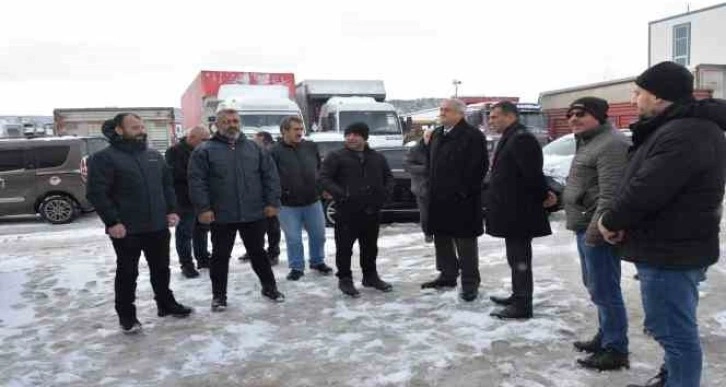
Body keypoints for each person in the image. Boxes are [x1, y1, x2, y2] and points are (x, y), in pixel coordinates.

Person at [598, 61, 726, 387]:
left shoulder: (685, 131)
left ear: (657, 97)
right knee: (674, 326)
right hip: (674, 245)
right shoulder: (681, 127)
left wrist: (611, 220)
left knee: (673, 332)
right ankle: (671, 379)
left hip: (672, 250)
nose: (634, 99)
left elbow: (648, 187)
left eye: (638, 92)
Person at [86, 114, 192, 334]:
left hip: (157, 225)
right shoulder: (103, 158)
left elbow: (167, 186)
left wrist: (172, 209)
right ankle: (127, 316)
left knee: (161, 268)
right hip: (126, 229)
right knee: (127, 272)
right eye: (135, 127)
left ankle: (166, 304)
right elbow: (97, 194)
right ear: (119, 130)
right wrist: (112, 222)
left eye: (142, 126)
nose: (141, 130)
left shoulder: (154, 156)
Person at [188, 107, 285, 311]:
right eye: (227, 121)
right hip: (222, 214)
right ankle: (219, 296)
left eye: (235, 121)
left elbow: (270, 176)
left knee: (258, 253)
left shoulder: (254, 148)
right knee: (220, 256)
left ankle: (269, 287)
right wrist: (203, 208)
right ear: (217, 124)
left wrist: (272, 202)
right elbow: (197, 182)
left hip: (253, 212)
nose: (232, 125)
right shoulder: (204, 150)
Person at [561, 97, 630, 371]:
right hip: (585, 226)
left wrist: (595, 234)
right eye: (570, 114)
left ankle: (616, 348)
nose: (573, 118)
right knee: (596, 287)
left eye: (581, 114)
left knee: (605, 289)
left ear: (599, 116)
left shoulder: (612, 144)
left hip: (598, 230)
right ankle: (606, 335)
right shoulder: (589, 140)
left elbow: (610, 196)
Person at [486, 101, 557, 319]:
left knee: (520, 258)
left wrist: (544, 196)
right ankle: (518, 295)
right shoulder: (511, 136)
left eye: (494, 117)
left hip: (520, 211)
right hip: (511, 210)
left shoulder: (521, 139)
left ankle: (523, 304)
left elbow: (532, 174)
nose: (491, 121)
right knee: (515, 257)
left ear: (509, 116)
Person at [420, 99, 488, 302]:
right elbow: (428, 162)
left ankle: (470, 283)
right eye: (441, 110)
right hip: (438, 199)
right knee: (442, 240)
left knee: (465, 243)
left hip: (462, 200)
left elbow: (479, 167)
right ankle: (447, 275)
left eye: (446, 110)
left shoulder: (472, 135)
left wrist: (463, 192)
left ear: (460, 114)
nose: (442, 113)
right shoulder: (438, 134)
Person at [320, 122, 394, 297]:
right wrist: (341, 194)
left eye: (356, 134)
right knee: (344, 248)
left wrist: (384, 195)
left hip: (371, 211)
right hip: (347, 212)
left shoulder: (377, 157)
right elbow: (323, 178)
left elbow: (389, 178)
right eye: (348, 134)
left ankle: (370, 276)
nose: (351, 138)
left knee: (370, 247)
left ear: (365, 137)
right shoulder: (336, 156)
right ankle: (345, 279)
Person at [271, 117, 333, 281]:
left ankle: (317, 261)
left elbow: (319, 170)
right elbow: (270, 177)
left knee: (319, 235)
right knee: (294, 238)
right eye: (295, 129)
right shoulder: (274, 151)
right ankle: (297, 267)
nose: (299, 132)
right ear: (284, 131)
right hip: (287, 204)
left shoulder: (310, 146)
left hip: (312, 200)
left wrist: (323, 189)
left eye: (301, 129)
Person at [165, 126, 211, 278]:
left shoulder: (205, 151)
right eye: (203, 139)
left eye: (207, 139)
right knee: (185, 233)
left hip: (202, 199)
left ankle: (203, 258)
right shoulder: (175, 151)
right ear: (191, 138)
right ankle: (186, 264)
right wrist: (199, 174)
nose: (206, 142)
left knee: (202, 230)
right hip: (184, 199)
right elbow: (175, 174)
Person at [238, 130, 281, 265]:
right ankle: (253, 251)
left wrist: (273, 198)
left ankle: (273, 253)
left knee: (272, 228)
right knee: (255, 229)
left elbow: (273, 177)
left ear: (266, 142)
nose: (253, 143)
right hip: (253, 198)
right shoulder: (253, 154)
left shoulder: (272, 154)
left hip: (268, 196)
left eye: (257, 140)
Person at [404, 128, 434, 243]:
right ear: (424, 137)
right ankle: (428, 233)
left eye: (432, 137)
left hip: (438, 187)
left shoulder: (440, 147)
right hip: (422, 188)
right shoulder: (415, 149)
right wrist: (425, 169)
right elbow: (407, 165)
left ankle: (441, 233)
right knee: (425, 214)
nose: (430, 140)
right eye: (428, 137)